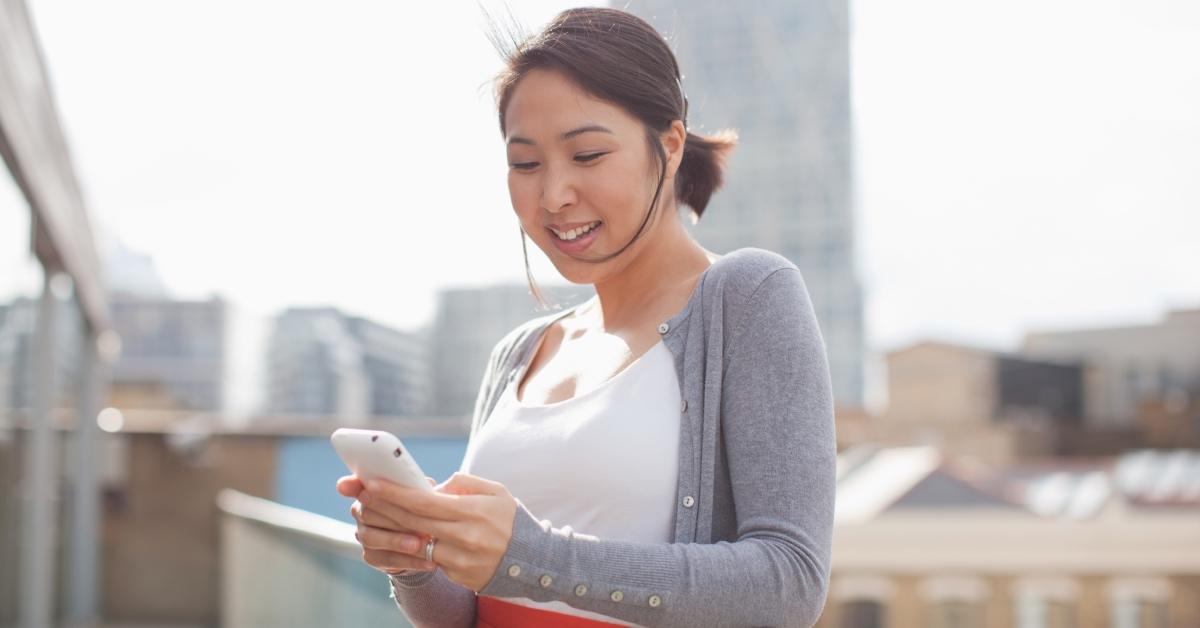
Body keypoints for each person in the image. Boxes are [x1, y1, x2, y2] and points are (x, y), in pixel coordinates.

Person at [336, 7, 836, 627]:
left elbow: (788, 585)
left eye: (589, 154)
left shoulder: (748, 296)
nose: (553, 195)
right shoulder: (520, 352)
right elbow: (467, 616)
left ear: (671, 145)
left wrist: (531, 556)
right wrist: (415, 556)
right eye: (525, 164)